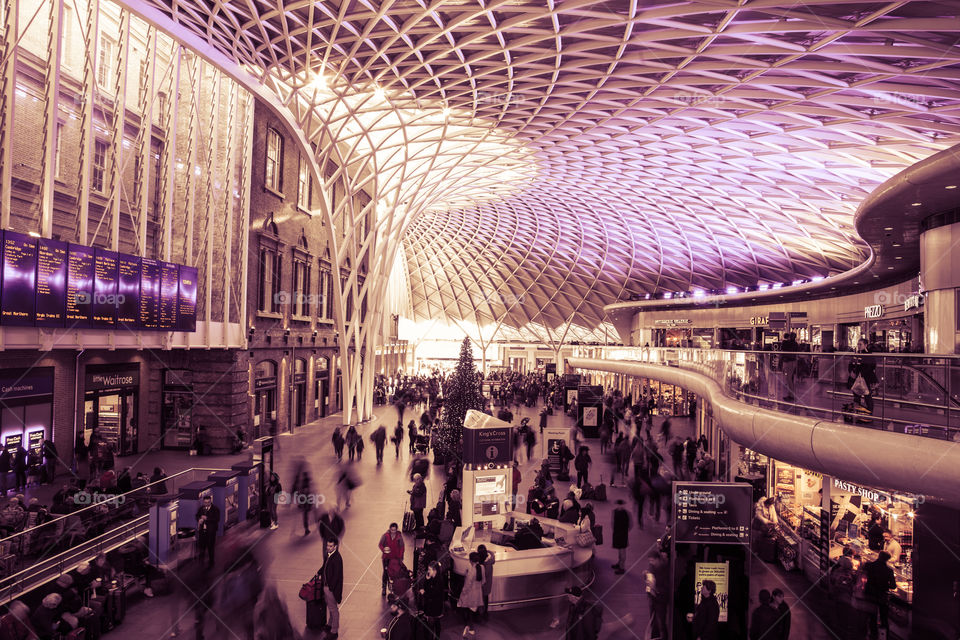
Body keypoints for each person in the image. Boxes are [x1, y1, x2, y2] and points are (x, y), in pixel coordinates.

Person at [863, 551, 896, 639]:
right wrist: (885, 585)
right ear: (887, 559)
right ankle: (884, 636)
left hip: (870, 594)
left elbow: (863, 576)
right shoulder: (889, 570)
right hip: (882, 596)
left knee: (872, 616)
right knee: (884, 618)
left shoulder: (869, 566)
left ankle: (873, 635)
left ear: (879, 556)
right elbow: (893, 586)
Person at [457, 552, 484, 636]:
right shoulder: (482, 567)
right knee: (472, 610)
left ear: (471, 560)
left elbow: (467, 584)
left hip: (470, 594)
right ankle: (471, 628)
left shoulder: (472, 570)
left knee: (467, 610)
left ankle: (469, 627)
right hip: (478, 593)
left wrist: (463, 593)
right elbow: (483, 581)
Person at [322, 537, 343, 638]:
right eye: (327, 546)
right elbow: (324, 566)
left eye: (331, 546)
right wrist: (319, 572)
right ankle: (330, 624)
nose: (328, 548)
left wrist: (330, 587)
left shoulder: (337, 558)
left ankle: (334, 631)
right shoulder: (329, 555)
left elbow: (336, 576)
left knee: (334, 609)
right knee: (330, 607)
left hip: (331, 589)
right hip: (327, 586)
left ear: (335, 546)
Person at [418, 560, 445, 640]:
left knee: (432, 623)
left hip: (434, 606)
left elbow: (432, 594)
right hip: (432, 605)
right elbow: (427, 588)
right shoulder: (432, 578)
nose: (428, 571)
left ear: (435, 570)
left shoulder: (439, 580)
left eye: (429, 569)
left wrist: (423, 593)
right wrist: (427, 579)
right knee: (436, 622)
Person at [379, 522, 406, 597]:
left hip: (395, 558)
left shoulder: (399, 537)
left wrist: (400, 557)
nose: (393, 532)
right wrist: (384, 550)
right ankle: (384, 588)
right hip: (386, 558)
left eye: (394, 530)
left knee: (394, 574)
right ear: (390, 529)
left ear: (396, 529)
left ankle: (394, 588)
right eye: (392, 530)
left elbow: (402, 548)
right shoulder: (385, 536)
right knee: (385, 573)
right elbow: (380, 544)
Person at [195, 494, 219, 568]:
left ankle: (211, 562)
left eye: (208, 502)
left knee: (210, 547)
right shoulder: (201, 509)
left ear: (210, 501)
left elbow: (217, 519)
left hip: (211, 532)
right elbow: (197, 515)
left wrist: (206, 518)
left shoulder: (215, 509)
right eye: (205, 502)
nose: (207, 504)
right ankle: (201, 562)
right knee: (202, 547)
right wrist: (199, 519)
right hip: (202, 532)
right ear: (203, 502)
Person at [611, 499, 631, 575]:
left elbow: (630, 525)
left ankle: (622, 568)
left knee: (622, 551)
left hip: (622, 535)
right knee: (619, 550)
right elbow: (613, 522)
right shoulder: (615, 511)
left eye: (621, 505)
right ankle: (619, 563)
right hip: (617, 534)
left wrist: (624, 532)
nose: (619, 506)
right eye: (618, 505)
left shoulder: (626, 513)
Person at [478, 544, 495, 620]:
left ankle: (480, 613)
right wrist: (488, 551)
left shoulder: (482, 565)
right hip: (488, 584)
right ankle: (485, 612)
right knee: (486, 598)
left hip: (482, 584)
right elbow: (493, 555)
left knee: (480, 598)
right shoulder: (490, 561)